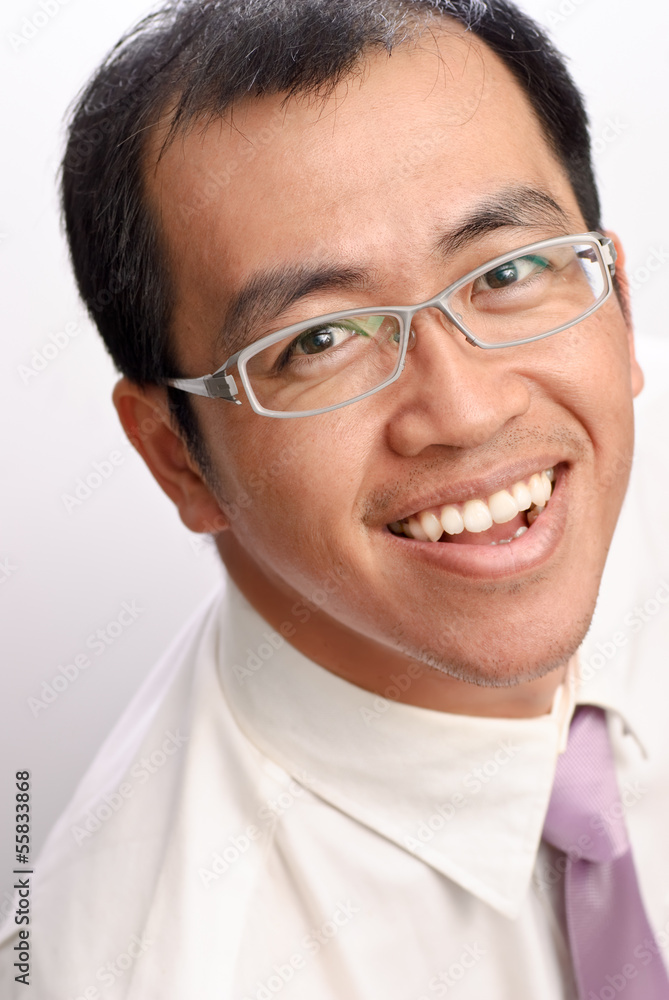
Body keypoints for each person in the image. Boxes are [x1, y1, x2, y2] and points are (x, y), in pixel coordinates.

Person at [2, 0, 669, 997]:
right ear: (176, 459)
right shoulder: (137, 968)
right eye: (317, 341)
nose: (465, 410)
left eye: (508, 270)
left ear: (616, 301)